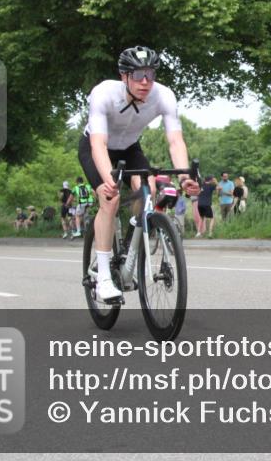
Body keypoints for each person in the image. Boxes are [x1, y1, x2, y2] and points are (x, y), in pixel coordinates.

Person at [79, 46, 199, 302]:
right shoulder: (103, 93)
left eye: (150, 75)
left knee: (149, 192)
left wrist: (185, 178)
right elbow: (98, 145)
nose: (145, 82)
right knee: (109, 200)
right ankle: (103, 278)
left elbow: (175, 142)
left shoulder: (164, 96)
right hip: (96, 148)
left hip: (130, 148)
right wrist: (108, 182)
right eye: (137, 75)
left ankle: (136, 232)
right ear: (124, 76)